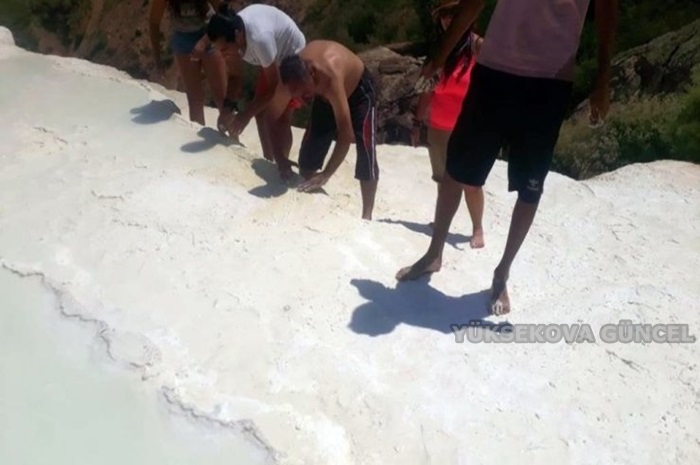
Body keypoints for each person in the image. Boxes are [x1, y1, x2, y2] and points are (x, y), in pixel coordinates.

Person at [397, 0, 618, 316]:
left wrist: (603, 79)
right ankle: (434, 254)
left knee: (530, 187)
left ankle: (502, 272)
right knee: (456, 169)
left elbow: (608, 11)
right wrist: (439, 57)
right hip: (494, 72)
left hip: (550, 82)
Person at [411, 0, 485, 249]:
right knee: (443, 180)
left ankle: (477, 228)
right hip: (439, 125)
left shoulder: (477, 47)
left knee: (471, 183)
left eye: (454, 13)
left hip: (470, 126)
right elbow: (426, 90)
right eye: (444, 15)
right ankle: (441, 222)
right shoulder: (439, 51)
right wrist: (417, 122)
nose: (448, 19)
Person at [202, 4, 306, 180]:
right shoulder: (234, 38)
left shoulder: (259, 39)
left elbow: (273, 86)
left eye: (225, 49)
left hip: (292, 55)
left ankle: (282, 164)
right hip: (272, 58)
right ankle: (270, 161)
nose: (223, 54)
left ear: (237, 35)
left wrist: (244, 116)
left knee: (280, 117)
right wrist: (227, 109)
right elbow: (235, 76)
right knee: (260, 114)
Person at [279, 40, 379, 220]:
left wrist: (326, 174)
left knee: (366, 147)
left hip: (359, 91)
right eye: (298, 96)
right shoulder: (295, 74)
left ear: (312, 74)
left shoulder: (330, 77)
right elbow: (273, 116)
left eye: (304, 94)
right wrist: (280, 158)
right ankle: (309, 190)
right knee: (309, 153)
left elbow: (346, 135)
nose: (302, 100)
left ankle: (367, 215)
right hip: (322, 94)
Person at [149, 0, 228, 125]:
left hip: (208, 33)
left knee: (222, 98)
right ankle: (196, 130)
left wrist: (205, 42)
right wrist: (158, 59)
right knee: (194, 98)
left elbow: (224, 13)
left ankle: (230, 132)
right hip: (183, 39)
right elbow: (154, 22)